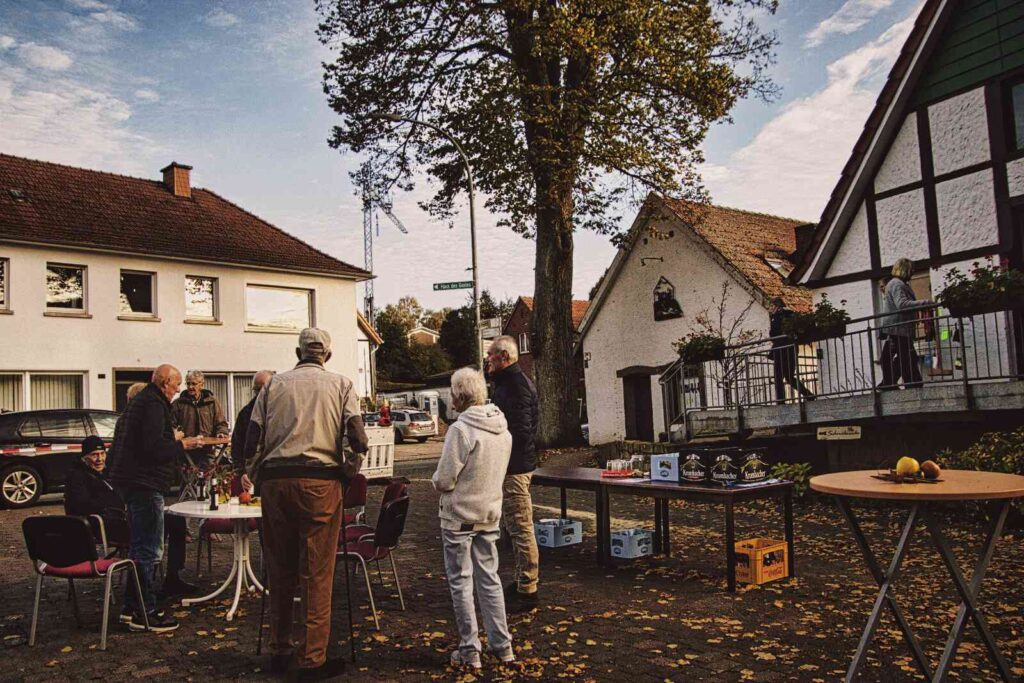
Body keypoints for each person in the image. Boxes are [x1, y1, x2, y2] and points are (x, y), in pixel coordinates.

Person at [241, 328, 368, 680]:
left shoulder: (272, 385)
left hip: (277, 484)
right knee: (317, 572)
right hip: (320, 483)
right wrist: (346, 475)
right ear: (327, 354)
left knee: (280, 569)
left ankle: (279, 651)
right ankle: (312, 658)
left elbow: (251, 441)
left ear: (298, 352)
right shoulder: (341, 384)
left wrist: (255, 476)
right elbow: (358, 439)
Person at [107, 365, 203, 633]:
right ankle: (145, 612)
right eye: (176, 384)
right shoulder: (154, 405)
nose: (178, 389)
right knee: (149, 549)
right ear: (165, 382)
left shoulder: (140, 402)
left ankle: (130, 608)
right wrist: (182, 444)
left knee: (140, 547)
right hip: (145, 483)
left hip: (131, 482)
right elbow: (152, 448)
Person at [432, 367, 515, 670]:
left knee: (461, 583)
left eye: (452, 393)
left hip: (459, 518)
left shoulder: (460, 430)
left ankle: (470, 650)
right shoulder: (502, 429)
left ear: (461, 396)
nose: (450, 398)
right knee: (490, 580)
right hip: (489, 514)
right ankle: (503, 646)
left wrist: (435, 481)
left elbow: (444, 480)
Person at [65, 433, 193, 600]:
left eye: (102, 454)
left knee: (175, 520)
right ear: (84, 457)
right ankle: (145, 585)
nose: (99, 459)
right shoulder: (78, 476)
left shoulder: (108, 473)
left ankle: (173, 577)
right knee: (152, 528)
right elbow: (81, 504)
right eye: (94, 455)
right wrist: (115, 507)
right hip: (104, 524)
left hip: (124, 517)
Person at [485, 335, 539, 609]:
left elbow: (519, 431)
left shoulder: (515, 387)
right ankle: (522, 580)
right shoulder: (510, 384)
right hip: (514, 464)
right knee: (515, 524)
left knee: (520, 525)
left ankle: (528, 587)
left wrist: (499, 454)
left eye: (491, 355)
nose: (488, 360)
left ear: (504, 357)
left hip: (515, 466)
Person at [880, 258, 928, 389]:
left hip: (897, 327)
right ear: (905, 269)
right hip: (899, 327)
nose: (913, 272)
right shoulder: (897, 284)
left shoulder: (898, 284)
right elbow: (902, 304)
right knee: (906, 356)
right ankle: (909, 383)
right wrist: (924, 303)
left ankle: (888, 383)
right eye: (911, 269)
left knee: (902, 356)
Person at [172, 370, 229, 468]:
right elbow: (170, 425)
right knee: (187, 480)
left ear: (201, 385)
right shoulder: (178, 404)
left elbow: (221, 423)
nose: (190, 387)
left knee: (207, 479)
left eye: (193, 384)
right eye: (188, 383)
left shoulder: (212, 402)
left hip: (207, 451)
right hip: (186, 452)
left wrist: (221, 432)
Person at [768, 297, 815, 404]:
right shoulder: (781, 315)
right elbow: (773, 333)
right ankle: (806, 395)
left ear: (777, 306)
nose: (773, 308)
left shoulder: (784, 315)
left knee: (782, 376)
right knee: (786, 377)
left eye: (774, 306)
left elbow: (775, 332)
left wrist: (775, 317)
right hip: (784, 349)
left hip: (784, 349)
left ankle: (782, 400)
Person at [231, 369, 275, 480]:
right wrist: (241, 472)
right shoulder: (245, 413)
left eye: (263, 389)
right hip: (254, 474)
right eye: (256, 390)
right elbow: (237, 445)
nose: (260, 393)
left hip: (277, 472)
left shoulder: (282, 411)